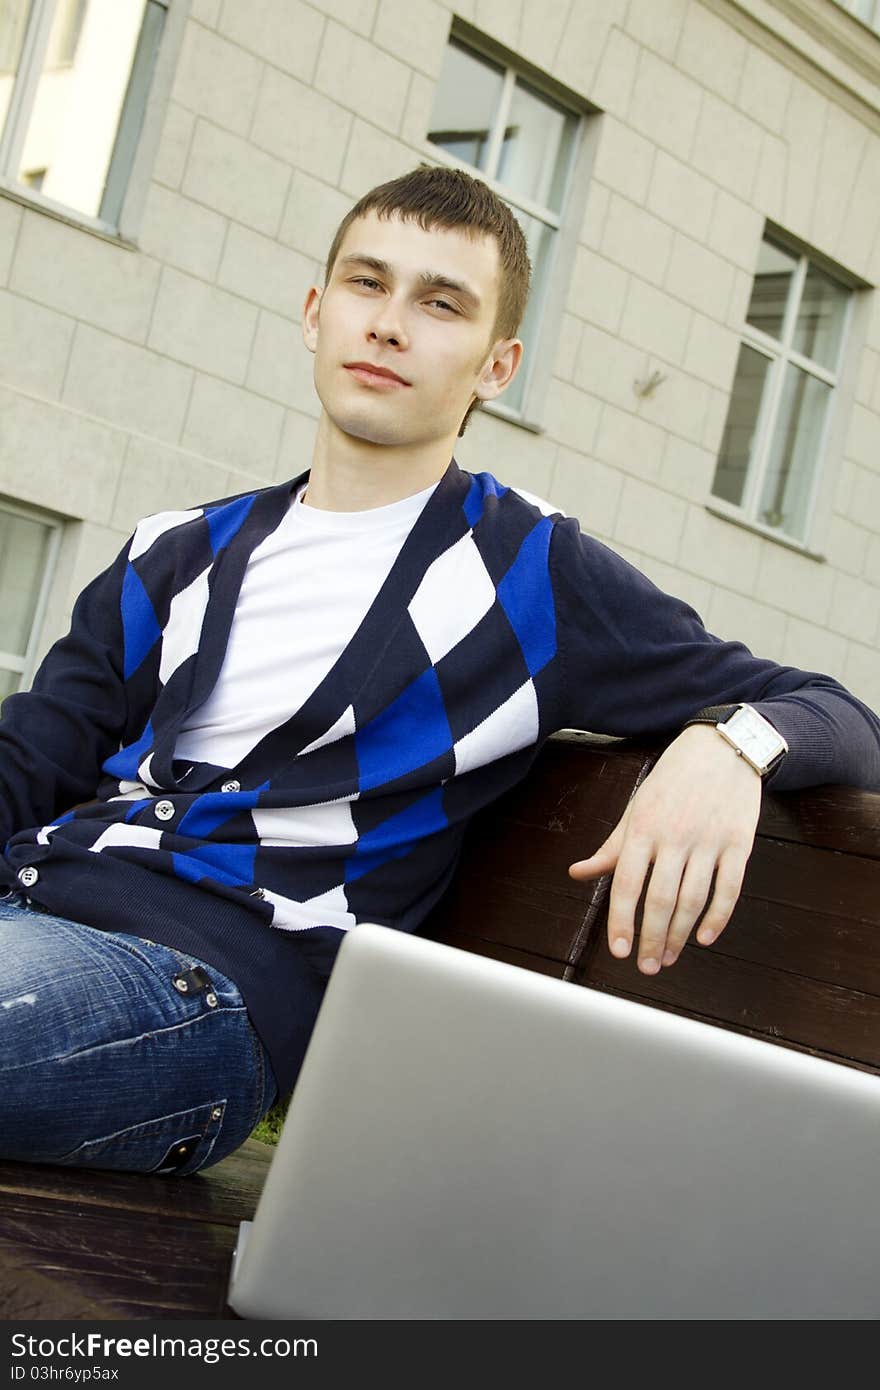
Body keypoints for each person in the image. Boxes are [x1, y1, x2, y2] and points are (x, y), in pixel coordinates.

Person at [1, 165, 878, 1177]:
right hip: (32, 912)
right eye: (367, 285)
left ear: (496, 364)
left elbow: (838, 711)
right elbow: (31, 755)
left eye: (440, 303)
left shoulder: (531, 575)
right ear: (314, 311)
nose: (387, 325)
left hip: (198, 989)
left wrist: (730, 744)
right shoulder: (176, 548)